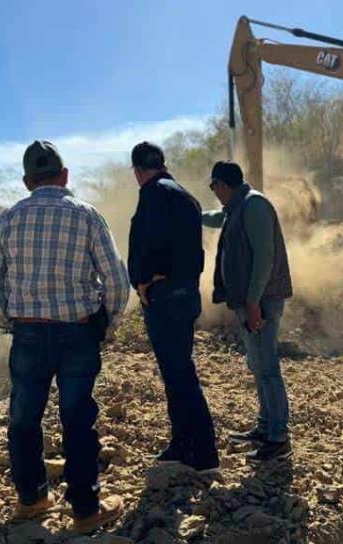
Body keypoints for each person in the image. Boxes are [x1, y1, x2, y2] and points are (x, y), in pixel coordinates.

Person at [0, 140, 130, 530]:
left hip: (28, 334)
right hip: (78, 334)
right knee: (78, 420)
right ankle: (84, 511)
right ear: (65, 176)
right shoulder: (87, 216)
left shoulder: (6, 220)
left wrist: (10, 323)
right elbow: (116, 281)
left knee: (24, 418)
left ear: (27, 181)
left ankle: (31, 500)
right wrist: (106, 325)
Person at [127, 141, 220, 473]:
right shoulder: (186, 196)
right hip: (186, 294)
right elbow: (191, 254)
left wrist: (143, 280)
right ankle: (182, 445)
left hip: (164, 297)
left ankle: (205, 454)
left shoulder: (153, 194)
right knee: (179, 371)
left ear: (138, 171)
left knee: (179, 374)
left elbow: (146, 244)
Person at [202, 160, 293, 464]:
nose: (213, 192)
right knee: (258, 365)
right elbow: (218, 218)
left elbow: (265, 257)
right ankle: (266, 427)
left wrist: (253, 301)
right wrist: (192, 214)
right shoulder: (239, 206)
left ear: (222, 184)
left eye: (213, 186)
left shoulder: (254, 206)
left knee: (267, 368)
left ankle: (278, 439)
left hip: (262, 300)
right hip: (251, 300)